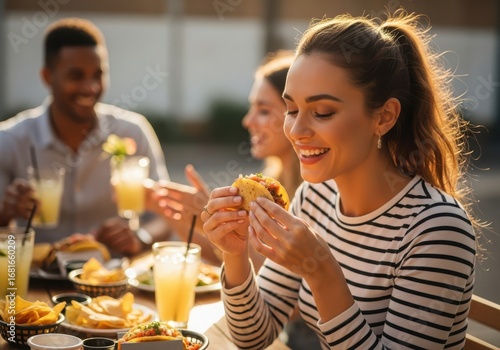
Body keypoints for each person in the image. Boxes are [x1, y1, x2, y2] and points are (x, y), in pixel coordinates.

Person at [201, 12, 479, 349]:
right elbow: (253, 337)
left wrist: (321, 273)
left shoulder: (437, 229)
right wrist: (234, 254)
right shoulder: (313, 198)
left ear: (384, 116)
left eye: (322, 113)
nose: (297, 131)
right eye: (291, 110)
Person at [0, 18, 170, 256]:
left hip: (110, 278)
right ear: (48, 77)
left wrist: (140, 236)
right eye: (76, 76)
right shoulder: (9, 140)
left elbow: (165, 217)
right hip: (35, 280)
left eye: (98, 74)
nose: (90, 87)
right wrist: (4, 213)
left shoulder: (132, 132)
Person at [147, 51, 302, 268]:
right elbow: (228, 256)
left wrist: (204, 219)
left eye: (264, 111)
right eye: (251, 108)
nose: (248, 121)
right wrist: (179, 215)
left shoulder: (311, 197)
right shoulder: (268, 182)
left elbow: (274, 276)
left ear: (296, 113)